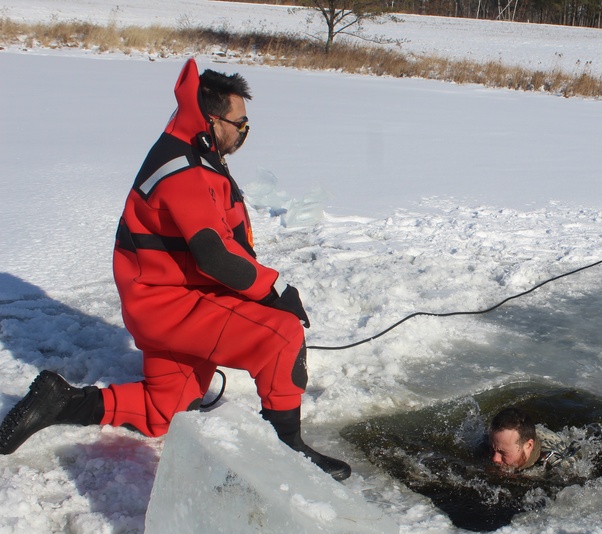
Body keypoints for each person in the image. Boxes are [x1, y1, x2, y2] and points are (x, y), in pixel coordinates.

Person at [0, 59, 351, 480]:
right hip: (173, 305)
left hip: (164, 301)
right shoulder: (183, 170)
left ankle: (60, 402)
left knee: (162, 410)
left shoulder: (193, 150)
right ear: (211, 118)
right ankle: (289, 453)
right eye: (240, 125)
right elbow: (215, 256)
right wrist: (277, 290)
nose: (244, 133)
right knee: (280, 335)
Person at [487, 407, 578, 472]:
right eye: (491, 449)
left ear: (528, 446)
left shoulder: (556, 464)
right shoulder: (491, 443)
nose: (495, 459)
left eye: (503, 453)